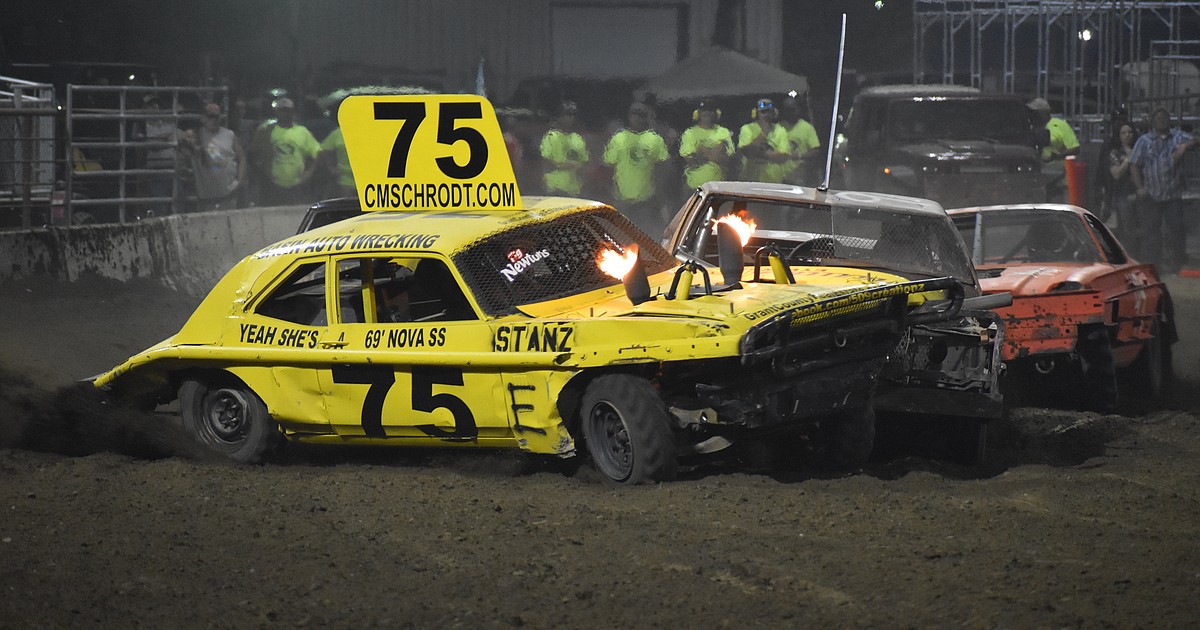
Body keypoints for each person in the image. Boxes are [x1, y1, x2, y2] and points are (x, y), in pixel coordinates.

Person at [1130, 107, 1200, 273]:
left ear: (1170, 120)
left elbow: (1197, 138)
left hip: (1173, 194)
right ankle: (1154, 268)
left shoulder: (1178, 136)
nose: (1161, 120)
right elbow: (1134, 165)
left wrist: (1186, 146)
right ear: (1152, 122)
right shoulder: (1144, 141)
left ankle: (1178, 265)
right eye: (1158, 117)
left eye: (1164, 117)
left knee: (1176, 230)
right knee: (1151, 234)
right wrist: (1139, 187)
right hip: (1151, 195)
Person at [603, 101, 670, 234]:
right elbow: (608, 164)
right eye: (635, 115)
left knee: (644, 234)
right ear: (629, 116)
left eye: (642, 115)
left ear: (647, 117)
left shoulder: (655, 139)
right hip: (621, 199)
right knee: (620, 235)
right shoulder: (619, 138)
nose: (638, 118)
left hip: (646, 200)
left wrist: (659, 192)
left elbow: (663, 167)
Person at [251, 97, 321, 206]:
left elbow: (318, 153)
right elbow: (255, 153)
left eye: (287, 110)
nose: (285, 114)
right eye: (282, 110)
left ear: (293, 112)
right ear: (276, 112)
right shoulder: (265, 130)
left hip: (296, 186)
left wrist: (308, 173)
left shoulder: (302, 131)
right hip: (271, 185)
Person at [181, 102, 246, 212]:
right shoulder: (195, 135)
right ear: (203, 118)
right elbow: (184, 148)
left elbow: (242, 157)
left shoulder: (229, 134)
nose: (214, 119)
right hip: (207, 199)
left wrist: (239, 180)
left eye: (217, 116)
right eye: (211, 116)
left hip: (228, 196)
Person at [1028, 97, 1080, 203]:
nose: (1031, 115)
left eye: (1034, 112)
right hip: (1036, 174)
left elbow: (1075, 148)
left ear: (1042, 113)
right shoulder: (1030, 127)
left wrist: (1058, 155)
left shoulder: (1060, 125)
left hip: (1058, 175)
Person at [678, 101, 734, 190]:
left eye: (710, 111)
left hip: (718, 187)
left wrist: (704, 152)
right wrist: (714, 153)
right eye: (704, 111)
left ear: (716, 113)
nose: (707, 113)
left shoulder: (724, 132)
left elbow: (728, 160)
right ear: (698, 114)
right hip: (694, 187)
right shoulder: (690, 133)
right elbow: (691, 161)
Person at [539, 101, 589, 196]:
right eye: (568, 115)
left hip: (574, 190)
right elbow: (545, 162)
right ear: (559, 117)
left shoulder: (577, 138)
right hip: (554, 189)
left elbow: (585, 162)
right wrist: (567, 165)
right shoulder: (551, 136)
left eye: (573, 115)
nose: (571, 118)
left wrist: (581, 168)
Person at [738, 98, 792, 183]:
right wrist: (763, 133)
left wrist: (761, 154)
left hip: (774, 182)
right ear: (757, 114)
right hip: (751, 181)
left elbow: (784, 157)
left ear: (774, 113)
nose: (766, 115)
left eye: (769, 112)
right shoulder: (747, 129)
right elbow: (747, 152)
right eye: (763, 112)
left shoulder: (780, 130)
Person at [1106, 122, 1138, 243]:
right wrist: (1128, 160)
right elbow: (1116, 174)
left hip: (1141, 192)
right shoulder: (1115, 153)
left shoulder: (1141, 149)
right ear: (1119, 136)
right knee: (1126, 229)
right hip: (1123, 194)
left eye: (1129, 132)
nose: (1127, 135)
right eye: (1123, 133)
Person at [780, 98, 821, 186]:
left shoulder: (807, 128)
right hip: (779, 179)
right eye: (787, 110)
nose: (790, 113)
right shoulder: (778, 127)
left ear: (798, 109)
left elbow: (816, 151)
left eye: (792, 109)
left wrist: (799, 156)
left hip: (800, 179)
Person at [319, 100, 355, 199]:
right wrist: (331, 169)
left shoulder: (365, 131)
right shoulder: (338, 133)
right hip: (345, 179)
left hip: (366, 179)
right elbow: (323, 151)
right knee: (346, 207)